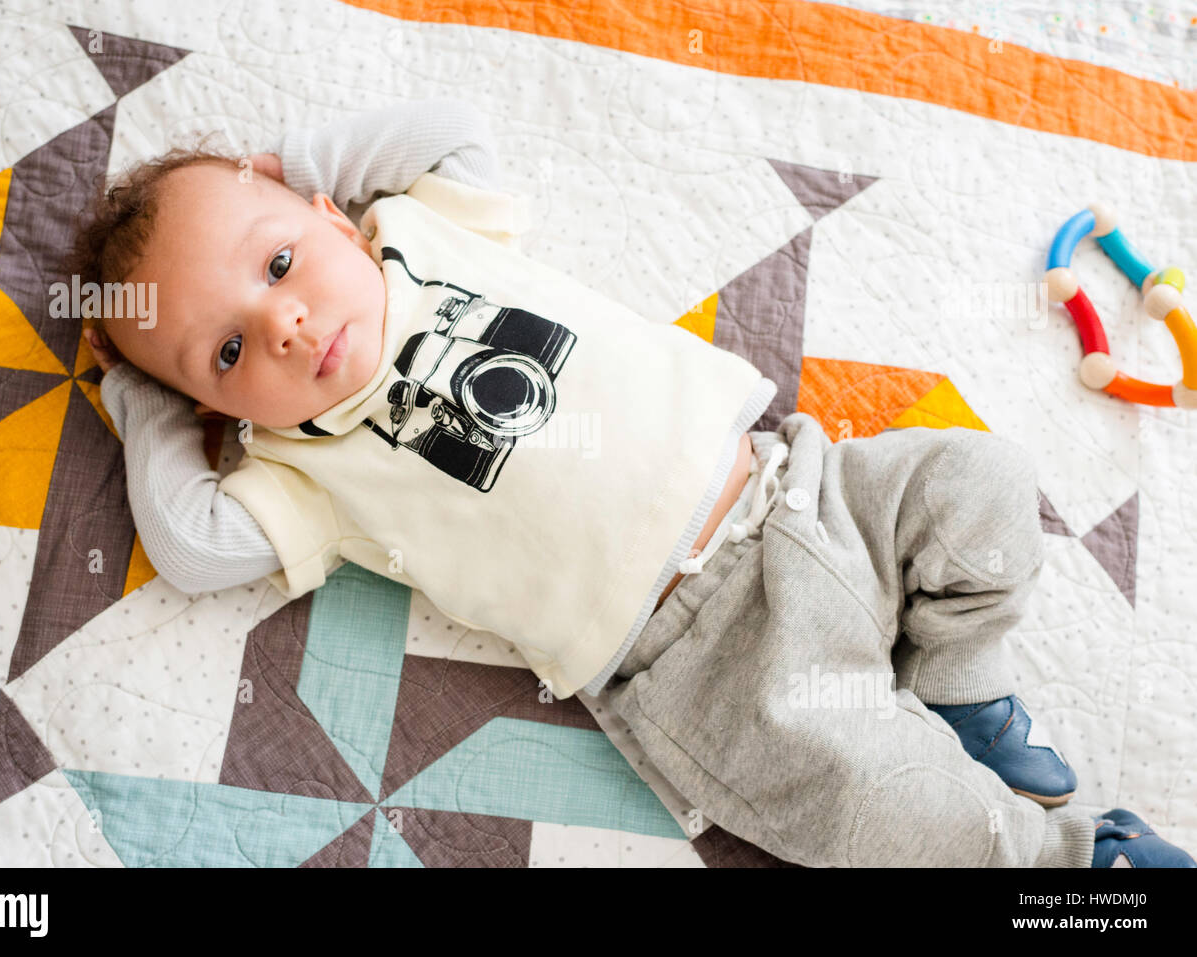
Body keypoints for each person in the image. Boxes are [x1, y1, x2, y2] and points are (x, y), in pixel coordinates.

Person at [69, 97, 1194, 868]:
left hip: (806, 491)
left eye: (277, 265)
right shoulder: (301, 467)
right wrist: (146, 393)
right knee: (883, 812)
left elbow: (451, 129)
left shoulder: (420, 232)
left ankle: (963, 681)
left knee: (982, 475)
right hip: (702, 666)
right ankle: (1073, 863)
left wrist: (292, 171)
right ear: (215, 409)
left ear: (324, 213)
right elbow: (192, 547)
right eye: (226, 352)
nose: (286, 323)